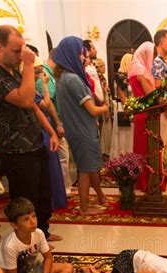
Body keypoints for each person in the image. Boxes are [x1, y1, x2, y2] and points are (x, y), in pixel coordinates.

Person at [0, 25, 62, 241]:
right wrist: (28, 64)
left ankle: (42, 233)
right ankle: (27, 242)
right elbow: (24, 99)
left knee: (43, 195)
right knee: (25, 201)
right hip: (16, 149)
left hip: (34, 141)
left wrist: (51, 131)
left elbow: (32, 105)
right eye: (16, 51)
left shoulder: (13, 69)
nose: (20, 55)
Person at [53, 36, 108, 215]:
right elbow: (92, 110)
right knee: (85, 170)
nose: (83, 58)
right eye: (80, 54)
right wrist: (105, 107)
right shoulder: (73, 79)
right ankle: (84, 208)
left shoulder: (62, 78)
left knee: (89, 166)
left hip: (75, 130)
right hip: (84, 130)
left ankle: (100, 196)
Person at [0, 197, 86, 273]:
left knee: (68, 268)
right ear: (14, 225)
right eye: (26, 219)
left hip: (36, 270)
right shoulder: (10, 245)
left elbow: (48, 257)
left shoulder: (39, 233)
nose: (33, 222)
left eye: (34, 216)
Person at [36, 48, 72, 195]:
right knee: (62, 157)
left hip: (55, 120)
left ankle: (64, 188)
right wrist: (57, 124)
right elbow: (47, 104)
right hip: (51, 122)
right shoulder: (44, 75)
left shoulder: (50, 74)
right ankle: (63, 189)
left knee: (63, 157)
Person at [128, 41, 155, 191]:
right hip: (146, 115)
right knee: (145, 150)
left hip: (140, 113)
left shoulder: (133, 68)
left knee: (140, 149)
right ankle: (145, 182)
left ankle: (141, 180)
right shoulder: (141, 71)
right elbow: (151, 96)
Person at [152, 29, 167, 175]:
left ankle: (161, 170)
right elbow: (158, 88)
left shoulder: (161, 62)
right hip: (162, 110)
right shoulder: (157, 63)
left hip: (166, 109)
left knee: (164, 142)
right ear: (161, 42)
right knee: (160, 142)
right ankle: (158, 173)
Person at [94, 58, 113, 159]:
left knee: (106, 129)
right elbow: (102, 95)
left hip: (105, 106)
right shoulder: (99, 79)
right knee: (104, 130)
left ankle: (105, 151)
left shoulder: (102, 78)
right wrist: (105, 109)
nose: (105, 68)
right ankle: (103, 152)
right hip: (102, 107)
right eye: (103, 66)